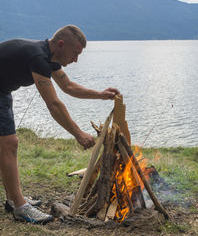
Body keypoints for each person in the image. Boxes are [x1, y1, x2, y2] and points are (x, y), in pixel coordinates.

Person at [0, 25, 120, 224]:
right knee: (9, 144)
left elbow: (68, 86)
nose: (76, 59)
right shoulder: (38, 57)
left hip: (2, 91)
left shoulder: (49, 57)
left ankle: (13, 200)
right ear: (61, 45)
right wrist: (78, 134)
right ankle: (21, 208)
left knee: (7, 145)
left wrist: (100, 95)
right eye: (75, 53)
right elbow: (54, 104)